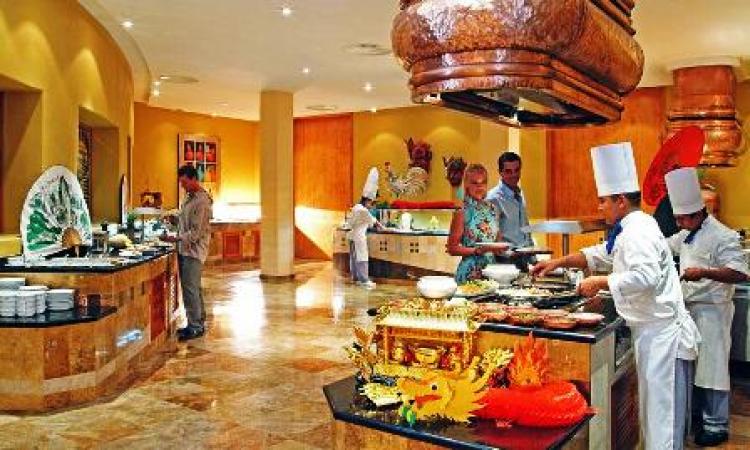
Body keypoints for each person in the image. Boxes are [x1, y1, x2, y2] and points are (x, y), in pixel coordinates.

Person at [531, 143, 700, 450]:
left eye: (603, 201)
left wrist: (600, 282)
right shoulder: (633, 226)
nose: (600, 208)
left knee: (662, 423)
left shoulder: (638, 232)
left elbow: (646, 277)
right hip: (652, 334)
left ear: (621, 201)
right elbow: (603, 254)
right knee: (655, 420)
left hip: (662, 337)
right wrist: (559, 262)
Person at [665, 168, 749, 447]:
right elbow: (665, 246)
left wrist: (704, 272)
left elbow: (740, 272)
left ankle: (717, 425)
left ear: (697, 213)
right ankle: (698, 419)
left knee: (713, 369)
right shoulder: (687, 234)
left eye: (681, 218)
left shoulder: (723, 235)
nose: (678, 223)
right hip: (690, 310)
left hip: (713, 311)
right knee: (696, 369)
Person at [161, 165, 212, 341]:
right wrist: (174, 219)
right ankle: (198, 322)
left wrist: (175, 239)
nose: (182, 186)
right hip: (185, 249)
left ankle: (195, 327)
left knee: (190, 290)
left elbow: (196, 233)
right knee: (193, 288)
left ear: (193, 179)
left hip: (194, 252)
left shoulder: (202, 201)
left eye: (184, 182)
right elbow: (185, 222)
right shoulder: (189, 198)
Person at [447, 164, 510, 283]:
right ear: (466, 185)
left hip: (491, 271)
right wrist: (477, 251)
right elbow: (452, 248)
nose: (479, 186)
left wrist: (501, 248)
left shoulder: (493, 209)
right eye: (475, 183)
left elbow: (497, 241)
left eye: (483, 182)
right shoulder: (462, 211)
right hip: (470, 273)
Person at [347, 167, 382, 289]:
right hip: (359, 237)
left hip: (352, 236)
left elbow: (351, 221)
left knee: (354, 258)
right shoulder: (363, 210)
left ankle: (356, 278)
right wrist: (380, 225)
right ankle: (364, 280)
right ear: (367, 200)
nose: (371, 205)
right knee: (362, 257)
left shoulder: (356, 207)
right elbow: (372, 220)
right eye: (371, 203)